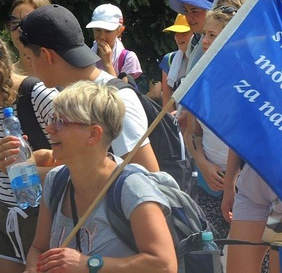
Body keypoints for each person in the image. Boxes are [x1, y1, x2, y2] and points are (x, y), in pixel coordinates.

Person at [24, 81, 176, 272]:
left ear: (93, 134)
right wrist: (32, 267)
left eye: (60, 122)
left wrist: (88, 263)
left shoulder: (131, 188)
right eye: (52, 119)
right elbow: (38, 248)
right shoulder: (56, 180)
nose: (49, 128)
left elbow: (164, 265)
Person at [18, 5, 158, 172]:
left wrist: (23, 172)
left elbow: (148, 179)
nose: (29, 66)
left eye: (28, 57)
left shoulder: (116, 101)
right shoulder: (71, 95)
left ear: (46, 55)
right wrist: (48, 159)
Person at [0, 40, 57, 273]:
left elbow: (86, 152)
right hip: (5, 213)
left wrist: (33, 163)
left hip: (44, 213)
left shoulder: (35, 94)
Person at [186, 5, 242, 240]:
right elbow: (192, 132)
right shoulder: (200, 76)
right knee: (213, 256)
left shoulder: (243, 81)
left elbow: (239, 139)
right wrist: (203, 165)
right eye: (204, 35)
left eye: (212, 35)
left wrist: (230, 183)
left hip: (242, 187)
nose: (204, 41)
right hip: (208, 185)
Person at [86, 4, 142, 80]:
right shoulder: (86, 55)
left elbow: (123, 91)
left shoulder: (128, 58)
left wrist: (108, 64)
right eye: (97, 30)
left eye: (108, 31)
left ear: (120, 31)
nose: (102, 36)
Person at [7, 0, 52, 75]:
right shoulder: (4, 78)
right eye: (14, 22)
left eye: (28, 21)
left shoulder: (64, 75)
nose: (19, 28)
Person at [159, 14, 193, 108]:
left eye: (184, 33)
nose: (178, 37)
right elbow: (167, 101)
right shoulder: (169, 60)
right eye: (176, 33)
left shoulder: (204, 60)